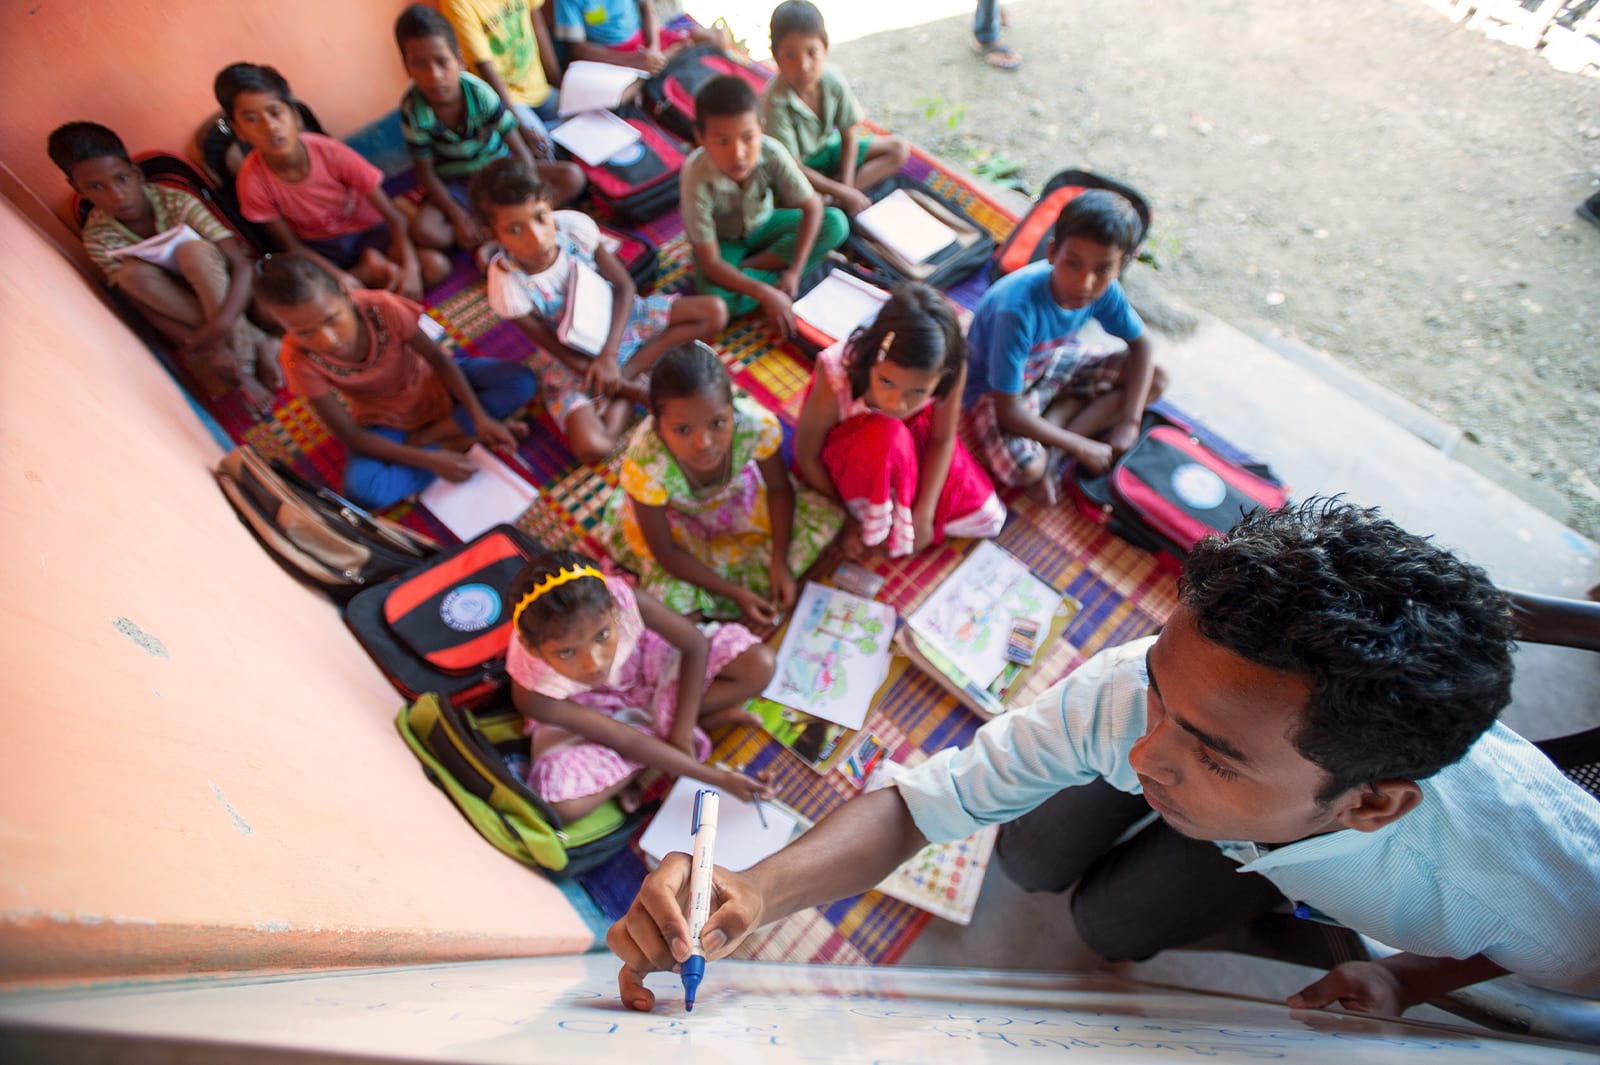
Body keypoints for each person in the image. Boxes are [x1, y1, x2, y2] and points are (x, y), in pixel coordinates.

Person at [607, 498, 1600, 1016]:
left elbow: (1538, 959)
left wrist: (1404, 981)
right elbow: (922, 805)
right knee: (1028, 853)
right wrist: (756, 888)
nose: (1138, 751)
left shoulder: (1547, 896)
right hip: (1271, 830)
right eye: (1160, 695)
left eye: (1209, 753)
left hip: (1317, 857)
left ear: (1372, 806)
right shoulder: (1130, 695)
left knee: (1109, 921)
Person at [473, 158, 728, 464]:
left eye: (540, 217)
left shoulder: (574, 229)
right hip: (579, 359)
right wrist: (635, 392)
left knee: (714, 311)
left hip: (623, 320)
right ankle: (632, 380)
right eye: (515, 229)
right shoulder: (507, 286)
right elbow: (555, 348)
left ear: (549, 204)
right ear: (493, 234)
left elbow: (624, 287)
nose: (536, 237)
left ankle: (622, 379)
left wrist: (610, 359)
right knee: (593, 448)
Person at [507, 549, 777, 822]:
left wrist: (681, 737)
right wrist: (716, 778)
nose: (594, 663)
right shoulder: (534, 692)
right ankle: (682, 729)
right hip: (597, 715)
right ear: (534, 650)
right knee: (561, 804)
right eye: (567, 653)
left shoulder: (625, 600)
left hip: (648, 668)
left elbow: (694, 644)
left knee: (760, 665)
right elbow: (624, 738)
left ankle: (672, 735)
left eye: (602, 635)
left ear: (613, 610)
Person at [254, 253, 536, 509]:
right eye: (304, 332)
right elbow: (351, 436)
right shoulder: (297, 358)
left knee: (520, 382)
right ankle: (455, 439)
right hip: (385, 417)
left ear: (345, 293)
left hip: (432, 381)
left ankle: (434, 437)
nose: (329, 339)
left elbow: (438, 360)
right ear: (285, 329)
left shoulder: (381, 307)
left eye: (332, 318)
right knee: (364, 492)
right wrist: (431, 460)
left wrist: (478, 416)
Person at [598, 340, 842, 625]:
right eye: (683, 429)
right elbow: (664, 552)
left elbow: (778, 488)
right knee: (673, 602)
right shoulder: (646, 463)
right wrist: (735, 593)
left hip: (737, 501)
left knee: (825, 517)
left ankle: (759, 577)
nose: (704, 443)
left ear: (732, 408)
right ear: (657, 425)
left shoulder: (754, 425)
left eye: (717, 423)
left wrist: (779, 560)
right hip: (677, 528)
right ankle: (731, 594)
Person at [48, 122, 283, 414]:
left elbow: (241, 265)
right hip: (184, 311)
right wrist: (207, 345)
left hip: (229, 292)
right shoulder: (97, 235)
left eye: (121, 179)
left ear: (135, 174)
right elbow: (145, 307)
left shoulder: (175, 201)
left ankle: (243, 365)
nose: (116, 195)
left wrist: (219, 328)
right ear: (78, 190)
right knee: (130, 276)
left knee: (194, 251)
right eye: (96, 187)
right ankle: (256, 346)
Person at [965, 189, 1166, 500]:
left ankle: (1055, 449)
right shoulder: (1015, 310)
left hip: (1049, 362)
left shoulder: (1106, 290)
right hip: (995, 391)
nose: (1085, 283)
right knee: (1026, 470)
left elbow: (1141, 345)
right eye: (1073, 264)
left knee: (1155, 379)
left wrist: (1130, 421)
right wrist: (1082, 446)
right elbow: (1008, 411)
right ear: (1052, 252)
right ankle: (1062, 427)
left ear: (1120, 266)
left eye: (1102, 270)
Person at [794, 282, 1004, 560]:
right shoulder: (838, 375)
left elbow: (942, 438)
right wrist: (845, 518)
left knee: (986, 514)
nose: (896, 404)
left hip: (913, 439)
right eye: (885, 381)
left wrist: (924, 513)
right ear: (872, 359)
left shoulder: (949, 368)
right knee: (888, 434)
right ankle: (876, 511)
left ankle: (891, 508)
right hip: (853, 450)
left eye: (917, 392)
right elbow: (806, 454)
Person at [216, 63, 451, 299]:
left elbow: (394, 216)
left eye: (275, 112)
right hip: (324, 253)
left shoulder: (331, 153)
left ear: (295, 117)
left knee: (434, 266)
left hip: (369, 232)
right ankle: (369, 273)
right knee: (303, 298)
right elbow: (292, 247)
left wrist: (411, 268)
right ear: (239, 131)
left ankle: (372, 273)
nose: (269, 127)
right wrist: (340, 277)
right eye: (252, 119)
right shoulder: (252, 182)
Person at [395, 2, 583, 265]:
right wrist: (458, 216)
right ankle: (505, 227)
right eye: (420, 64)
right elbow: (425, 173)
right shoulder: (412, 110)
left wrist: (525, 196)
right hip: (458, 186)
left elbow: (517, 148)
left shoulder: (479, 93)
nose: (434, 75)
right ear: (407, 68)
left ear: (459, 60)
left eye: (442, 61)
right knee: (425, 231)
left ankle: (498, 230)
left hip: (499, 172)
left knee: (572, 177)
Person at [679, 74, 849, 332]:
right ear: (700, 137)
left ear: (761, 127)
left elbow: (812, 206)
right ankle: (769, 279)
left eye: (748, 138)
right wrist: (764, 293)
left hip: (764, 222)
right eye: (723, 141)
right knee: (720, 303)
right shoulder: (695, 175)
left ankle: (750, 271)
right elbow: (711, 262)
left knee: (836, 223)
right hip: (723, 241)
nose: (738, 154)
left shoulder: (771, 151)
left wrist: (794, 271)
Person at [761, 1, 909, 216]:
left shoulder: (832, 81)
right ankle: (831, 200)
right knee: (795, 201)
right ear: (776, 57)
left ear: (825, 48)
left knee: (898, 149)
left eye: (812, 52)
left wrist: (847, 188)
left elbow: (849, 137)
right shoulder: (774, 100)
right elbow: (793, 167)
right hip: (798, 169)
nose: (803, 65)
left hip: (829, 150)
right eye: (791, 55)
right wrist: (844, 192)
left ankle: (833, 200)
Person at [439, 0, 563, 151]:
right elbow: (485, 69)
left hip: (540, 88)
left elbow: (538, 26)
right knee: (543, 148)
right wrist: (517, 125)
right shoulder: (457, 4)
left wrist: (560, 85)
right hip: (508, 101)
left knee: (587, 119)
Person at [549, 0, 727, 74]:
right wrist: (632, 61)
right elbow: (579, 48)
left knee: (716, 37)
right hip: (611, 56)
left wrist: (654, 48)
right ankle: (673, 53)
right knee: (629, 90)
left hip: (645, 40)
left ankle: (663, 58)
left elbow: (647, 10)